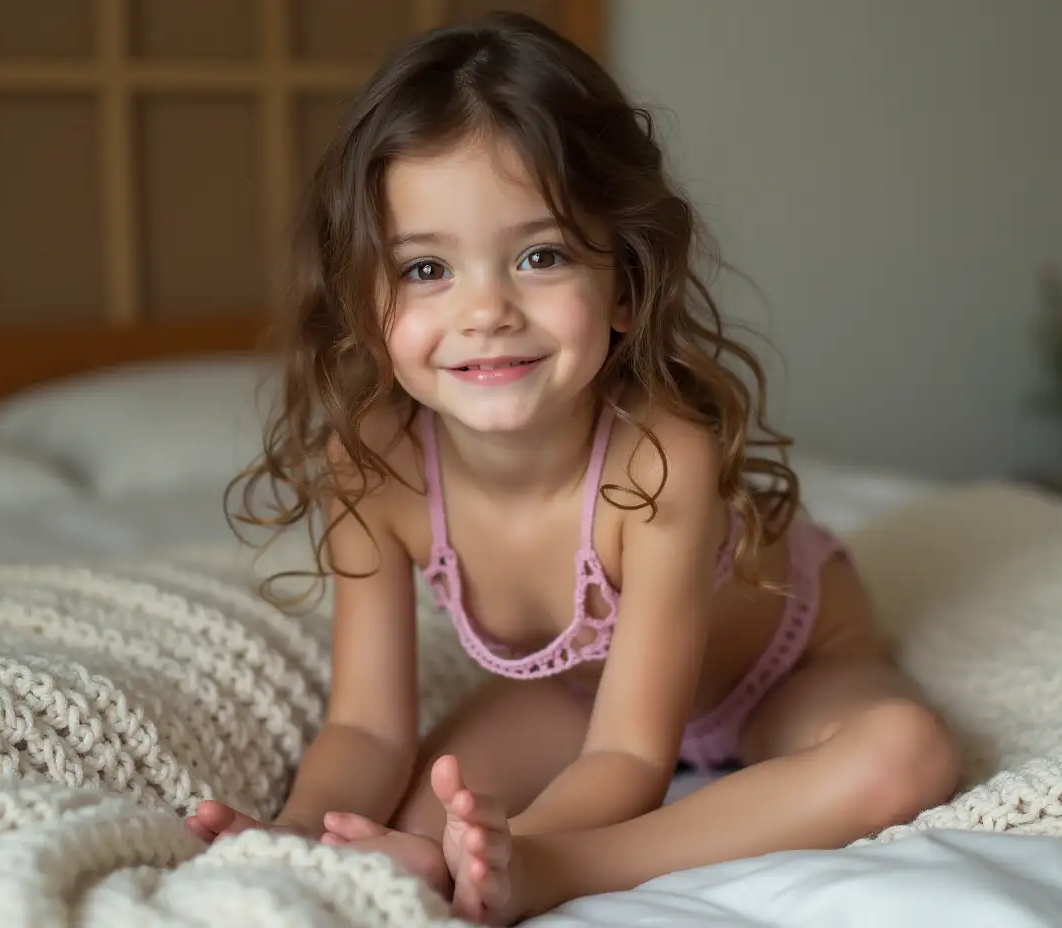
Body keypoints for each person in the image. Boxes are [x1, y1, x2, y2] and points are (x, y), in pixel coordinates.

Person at [185, 12, 960, 925]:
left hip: (783, 671)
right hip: (573, 691)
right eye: (427, 268)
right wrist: (300, 828)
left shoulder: (663, 456)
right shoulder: (374, 463)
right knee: (404, 824)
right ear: (364, 301)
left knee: (906, 752)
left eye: (540, 256)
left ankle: (566, 873)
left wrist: (531, 856)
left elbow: (633, 755)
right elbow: (367, 725)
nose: (486, 310)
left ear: (624, 286)